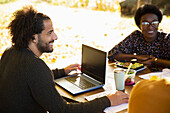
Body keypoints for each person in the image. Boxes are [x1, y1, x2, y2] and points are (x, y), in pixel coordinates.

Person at [0, 6, 129, 113]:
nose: (55, 37)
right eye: (49, 33)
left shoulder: (10, 52)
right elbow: (63, 110)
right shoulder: (34, 65)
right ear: (33, 38)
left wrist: (62, 71)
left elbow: (32, 79)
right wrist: (108, 100)